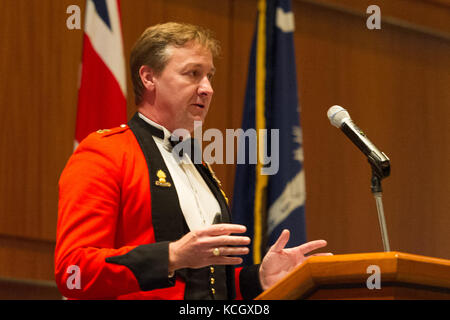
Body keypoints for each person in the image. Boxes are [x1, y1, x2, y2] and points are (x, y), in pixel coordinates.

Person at [55, 22, 330, 300]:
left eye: (209, 75)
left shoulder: (198, 164)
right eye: (193, 74)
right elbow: (72, 271)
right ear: (149, 78)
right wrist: (172, 255)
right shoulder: (105, 153)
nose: (207, 88)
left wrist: (257, 278)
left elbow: (203, 281)